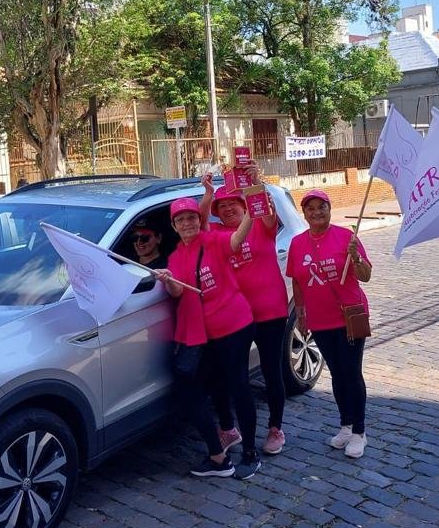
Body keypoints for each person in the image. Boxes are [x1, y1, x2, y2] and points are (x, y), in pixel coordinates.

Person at [155, 197, 262, 480]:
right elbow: (178, 292)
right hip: (205, 334)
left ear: (198, 220)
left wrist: (252, 209)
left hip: (235, 324)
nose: (187, 223)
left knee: (238, 386)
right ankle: (222, 446)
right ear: (174, 226)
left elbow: (238, 239)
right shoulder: (176, 257)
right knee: (203, 386)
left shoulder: (213, 240)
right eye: (181, 220)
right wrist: (167, 279)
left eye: (191, 218)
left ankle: (250, 453)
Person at [200, 169, 289, 456]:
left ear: (244, 206)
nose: (227, 210)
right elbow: (199, 223)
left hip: (270, 312)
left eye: (232, 205)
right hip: (234, 319)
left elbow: (266, 213)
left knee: (271, 370)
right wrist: (208, 195)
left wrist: (255, 183)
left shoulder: (261, 226)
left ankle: (276, 428)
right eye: (221, 207)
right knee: (228, 375)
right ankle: (229, 430)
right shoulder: (217, 234)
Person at [287, 189, 373, 460]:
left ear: (329, 209)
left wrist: (356, 258)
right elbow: (298, 281)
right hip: (319, 318)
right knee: (336, 372)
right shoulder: (298, 243)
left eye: (321, 207)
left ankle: (360, 432)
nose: (316, 212)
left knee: (351, 372)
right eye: (310, 208)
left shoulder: (347, 237)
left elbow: (366, 275)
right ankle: (345, 426)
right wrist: (301, 315)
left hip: (348, 316)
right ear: (305, 213)